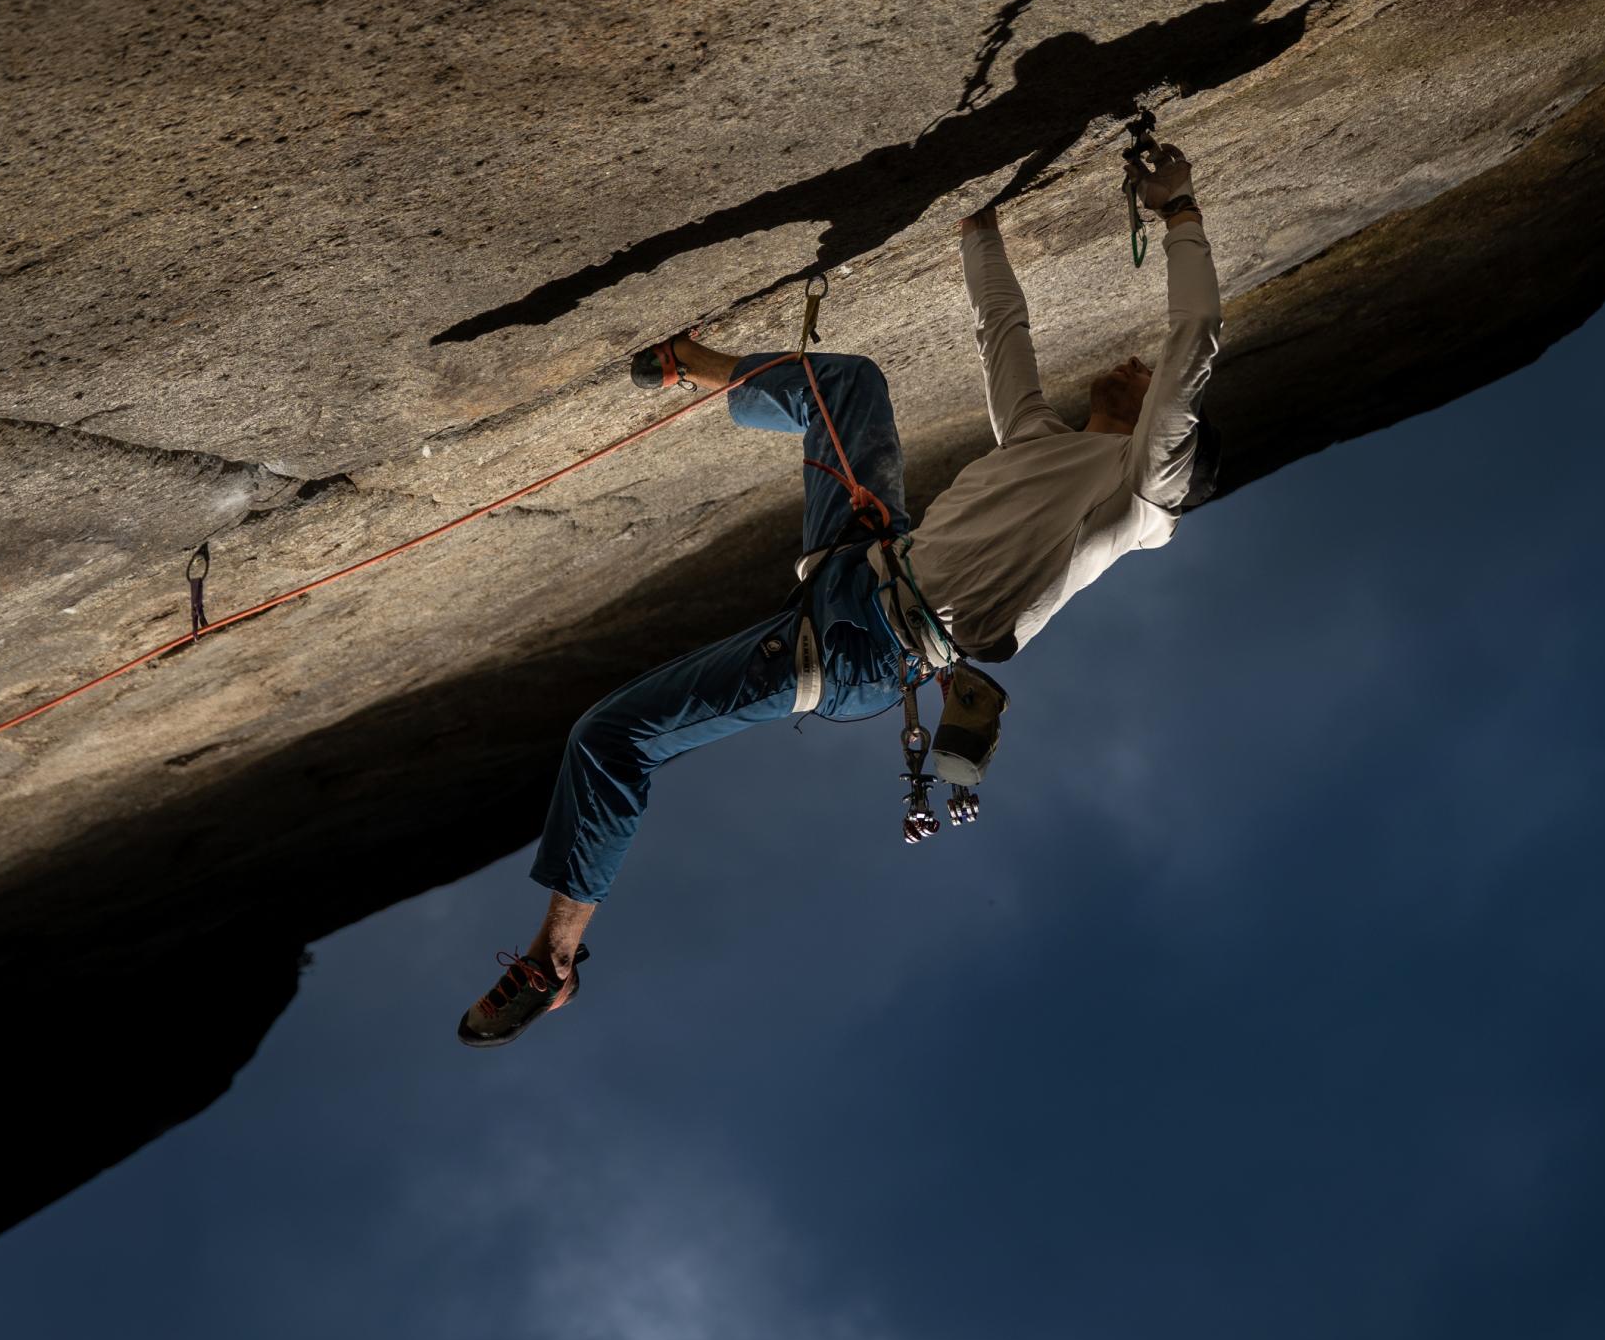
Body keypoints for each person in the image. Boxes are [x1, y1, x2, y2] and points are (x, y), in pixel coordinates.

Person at [459, 144, 1223, 1046]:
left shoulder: (1142, 491)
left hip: (866, 651)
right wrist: (979, 221)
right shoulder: (1040, 438)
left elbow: (1193, 347)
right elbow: (1001, 333)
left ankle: (553, 961)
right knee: (851, 386)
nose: (1136, 364)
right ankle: (693, 362)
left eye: (1146, 384)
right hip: (863, 555)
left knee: (611, 735)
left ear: (1164, 441)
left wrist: (1178, 209)